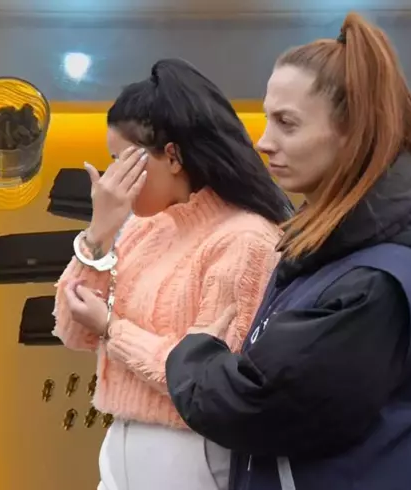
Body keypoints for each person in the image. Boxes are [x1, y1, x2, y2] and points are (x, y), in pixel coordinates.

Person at [166, 12, 411, 490]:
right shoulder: (332, 253)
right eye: (267, 119)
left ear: (354, 132)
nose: (264, 142)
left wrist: (194, 354)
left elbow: (261, 404)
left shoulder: (375, 282)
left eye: (287, 124)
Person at [52, 58, 292, 490]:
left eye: (122, 161)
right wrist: (99, 232)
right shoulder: (143, 228)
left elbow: (212, 380)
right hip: (121, 444)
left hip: (192, 451)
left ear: (173, 156)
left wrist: (112, 329)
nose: (113, 177)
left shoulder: (246, 239)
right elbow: (72, 331)